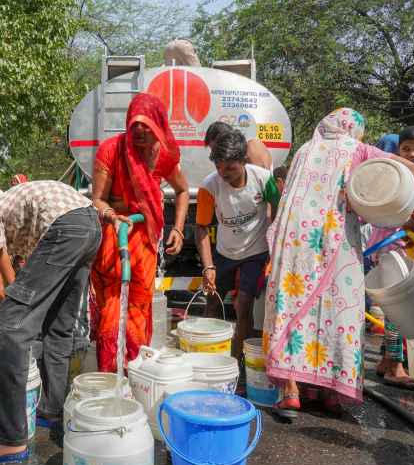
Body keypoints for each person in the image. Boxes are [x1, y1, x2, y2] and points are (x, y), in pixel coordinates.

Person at [263, 108, 414, 418]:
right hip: (339, 242)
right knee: (337, 313)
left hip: (295, 243)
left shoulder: (304, 151)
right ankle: (330, 393)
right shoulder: (358, 149)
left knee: (294, 308)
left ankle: (292, 392)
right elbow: (412, 171)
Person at [0, 182, 100, 465]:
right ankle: (52, 409)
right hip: (89, 225)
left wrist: (16, 309)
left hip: (67, 226)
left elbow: (11, 281)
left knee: (9, 325)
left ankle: (6, 440)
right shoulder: (11, 210)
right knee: (57, 326)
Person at [90, 93, 189, 372]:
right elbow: (97, 199)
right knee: (113, 306)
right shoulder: (111, 149)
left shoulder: (162, 155)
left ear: (158, 125)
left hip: (144, 241)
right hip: (115, 235)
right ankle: (110, 374)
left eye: (147, 126)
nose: (141, 132)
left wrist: (179, 230)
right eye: (135, 125)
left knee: (138, 307)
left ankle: (132, 372)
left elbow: (182, 191)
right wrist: (113, 216)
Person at [196, 130, 280, 359]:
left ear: (243, 161)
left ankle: (236, 361)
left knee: (243, 305)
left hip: (255, 252)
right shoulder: (209, 186)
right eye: (219, 167)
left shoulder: (264, 179)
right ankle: (207, 357)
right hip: (224, 253)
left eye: (230, 168)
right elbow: (201, 228)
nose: (223, 173)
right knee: (212, 302)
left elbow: (280, 212)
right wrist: (208, 267)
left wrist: (276, 252)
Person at [369, 127, 414, 389]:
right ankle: (395, 366)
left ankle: (386, 362)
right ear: (398, 151)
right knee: (399, 310)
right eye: (406, 149)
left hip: (400, 245)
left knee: (395, 309)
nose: (412, 153)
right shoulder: (396, 175)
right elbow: (398, 214)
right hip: (393, 245)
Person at [204, 121, 272, 170]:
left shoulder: (252, 145)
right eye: (213, 151)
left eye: (217, 149)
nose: (215, 154)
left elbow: (261, 179)